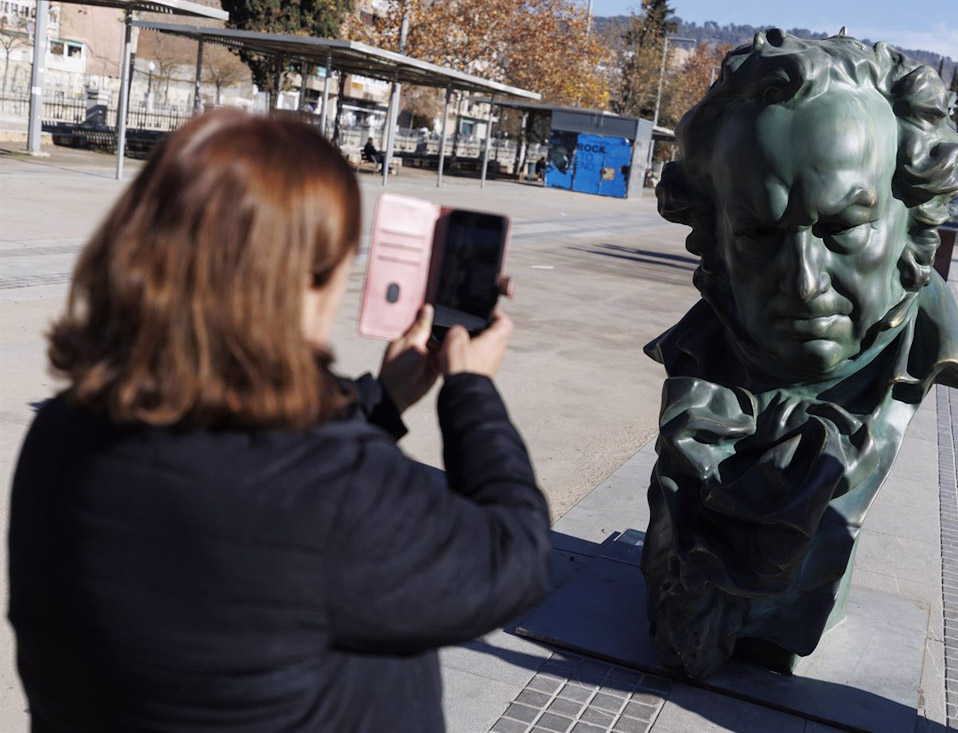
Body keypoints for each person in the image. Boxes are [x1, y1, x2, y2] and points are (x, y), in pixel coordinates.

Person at [8, 110, 551, 732]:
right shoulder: (329, 491)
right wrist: (471, 391)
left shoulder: (62, 432)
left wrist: (380, 403)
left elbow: (258, 530)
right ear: (306, 280)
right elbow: (515, 553)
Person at [641, 30, 958, 678]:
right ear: (715, 234)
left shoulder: (925, 347)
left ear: (915, 218)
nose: (805, 281)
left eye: (842, 227)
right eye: (757, 232)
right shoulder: (698, 369)